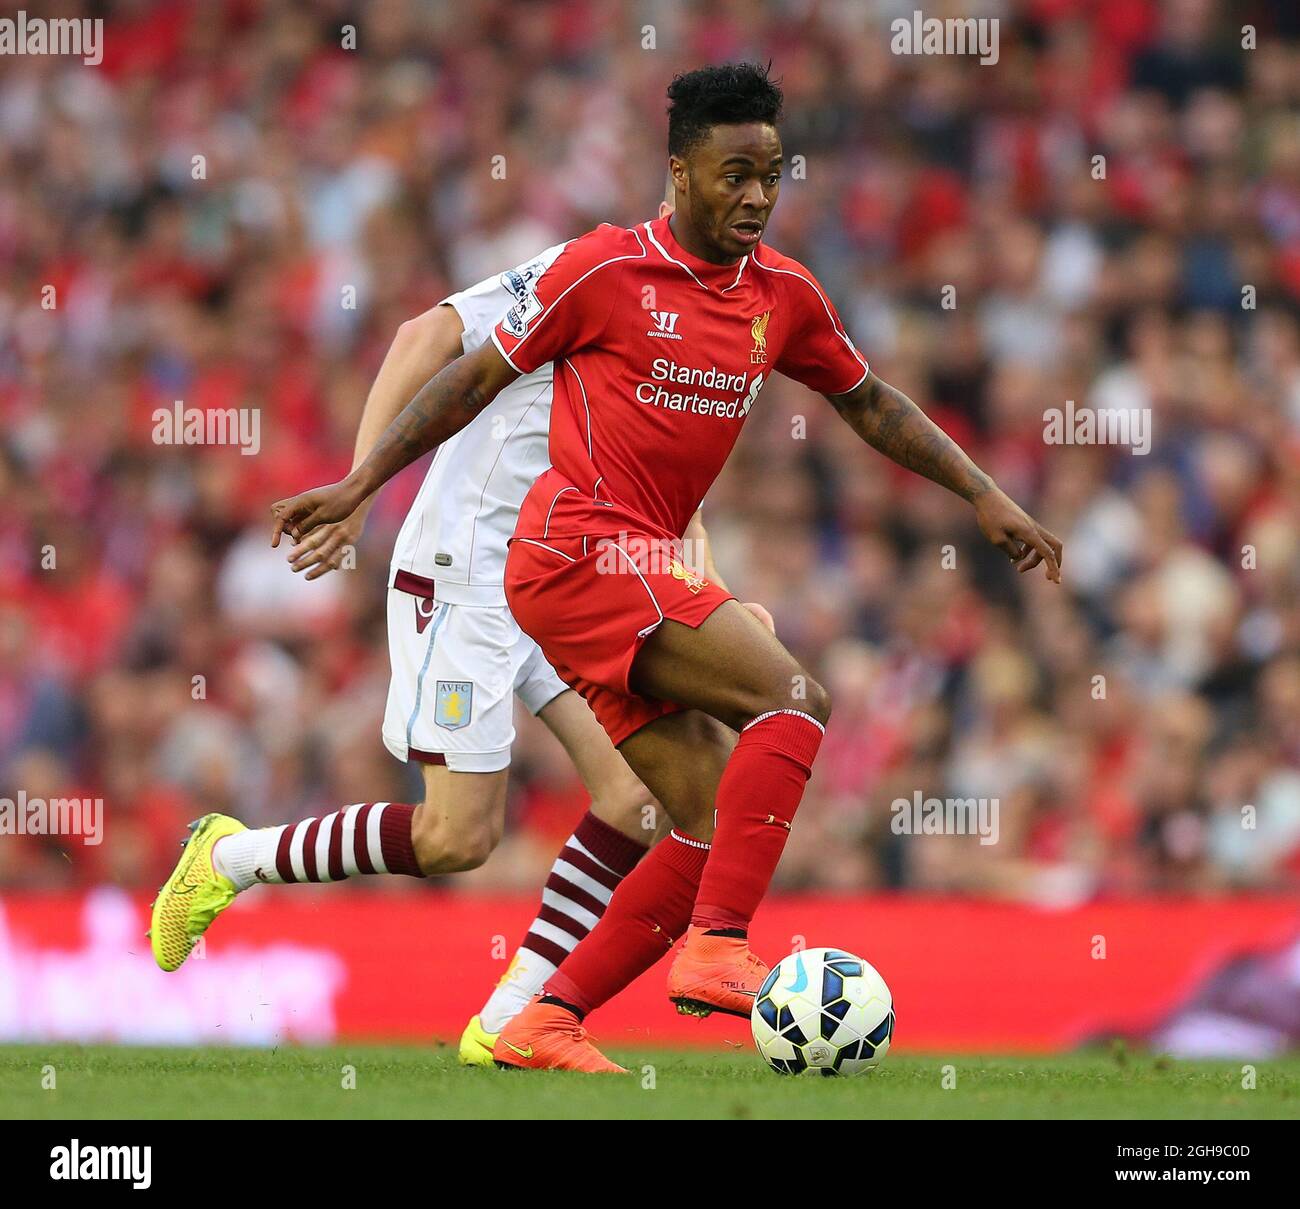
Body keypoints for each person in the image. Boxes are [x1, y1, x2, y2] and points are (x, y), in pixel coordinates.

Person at [269, 63, 1062, 1073]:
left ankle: (544, 1020)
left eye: (771, 175)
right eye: (734, 174)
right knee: (794, 697)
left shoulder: (783, 295)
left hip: (634, 562)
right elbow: (467, 375)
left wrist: (980, 491)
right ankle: (719, 947)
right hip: (572, 552)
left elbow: (870, 402)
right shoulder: (602, 271)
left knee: (695, 813)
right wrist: (360, 483)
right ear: (679, 172)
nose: (756, 197)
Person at [149, 183, 770, 1068]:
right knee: (457, 838)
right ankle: (232, 857)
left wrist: (709, 594)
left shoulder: (703, 344)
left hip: (574, 581)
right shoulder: (591, 270)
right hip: (468, 572)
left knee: (639, 799)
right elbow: (425, 336)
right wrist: (362, 486)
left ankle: (518, 1019)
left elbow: (674, 501)